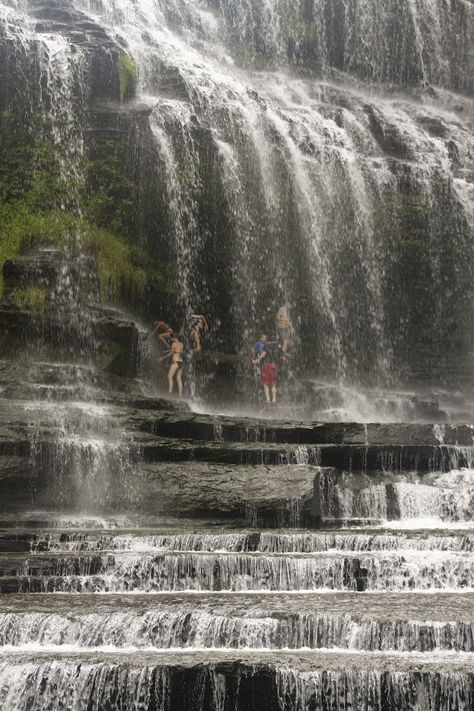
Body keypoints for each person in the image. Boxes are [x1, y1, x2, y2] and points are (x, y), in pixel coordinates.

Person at [253, 338, 280, 405]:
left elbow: (263, 354)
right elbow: (280, 356)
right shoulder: (276, 346)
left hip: (266, 366)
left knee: (265, 384)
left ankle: (268, 400)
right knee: (273, 384)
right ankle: (274, 400)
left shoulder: (266, 345)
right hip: (274, 366)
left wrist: (256, 360)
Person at [161, 333, 184, 398]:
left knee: (169, 377)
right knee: (179, 378)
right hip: (181, 362)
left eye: (171, 338)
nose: (170, 339)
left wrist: (163, 357)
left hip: (175, 362)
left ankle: (169, 394)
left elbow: (171, 354)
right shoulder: (181, 344)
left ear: (174, 338)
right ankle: (180, 395)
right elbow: (179, 352)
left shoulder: (173, 344)